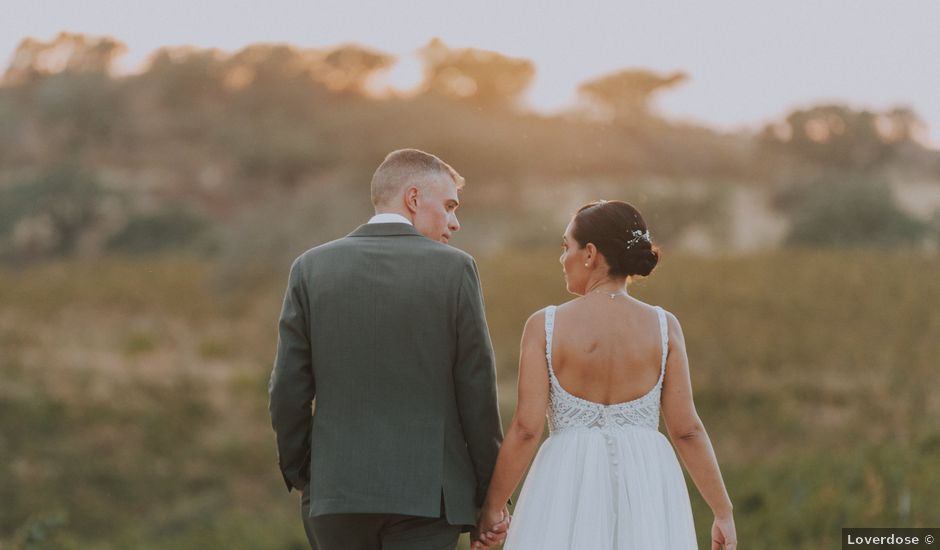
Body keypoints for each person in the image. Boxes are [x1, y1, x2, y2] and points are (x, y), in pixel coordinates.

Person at [269, 148, 509, 550]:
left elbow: (288, 389)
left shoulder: (310, 268)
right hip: (430, 498)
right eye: (449, 206)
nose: (455, 221)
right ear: (414, 199)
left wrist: (305, 475)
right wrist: (490, 497)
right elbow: (477, 392)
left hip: (336, 492)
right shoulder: (455, 269)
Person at [474, 200, 737, 550]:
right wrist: (723, 510)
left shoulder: (545, 326)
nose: (561, 258)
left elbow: (526, 429)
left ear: (591, 254)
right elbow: (687, 429)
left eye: (566, 246)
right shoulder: (664, 326)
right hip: (645, 480)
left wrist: (492, 509)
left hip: (568, 481)